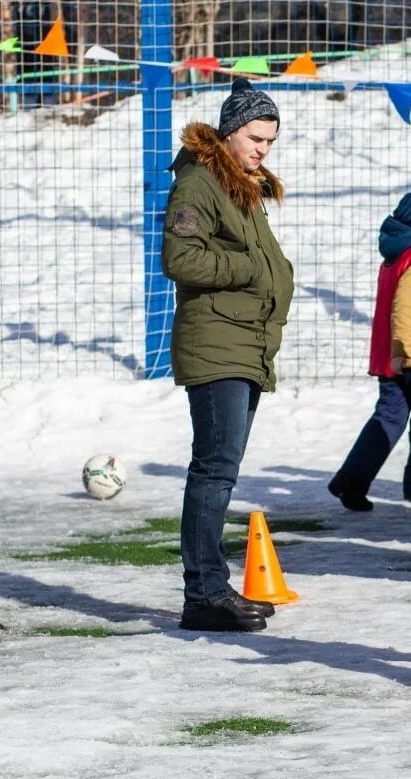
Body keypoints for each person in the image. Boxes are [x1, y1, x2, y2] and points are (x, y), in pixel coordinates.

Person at [163, 79, 290, 632]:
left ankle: (214, 588)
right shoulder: (199, 182)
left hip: (242, 342)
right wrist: (247, 272)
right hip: (218, 344)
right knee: (213, 472)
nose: (263, 148)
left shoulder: (238, 183)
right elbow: (180, 257)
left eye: (270, 140)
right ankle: (203, 595)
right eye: (255, 137)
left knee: (221, 472)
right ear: (230, 131)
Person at [328, 190, 411, 511]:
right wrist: (402, 349)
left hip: (394, 354)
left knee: (389, 417)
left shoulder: (395, 253)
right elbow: (406, 307)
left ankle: (352, 479)